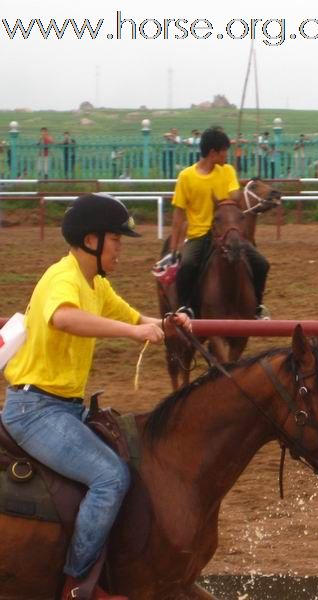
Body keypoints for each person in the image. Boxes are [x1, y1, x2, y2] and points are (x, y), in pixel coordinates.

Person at [1, 193, 191, 600]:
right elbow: (63, 318)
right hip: (35, 411)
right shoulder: (63, 278)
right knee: (109, 477)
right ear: (92, 240)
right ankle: (78, 583)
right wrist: (133, 333)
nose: (121, 249)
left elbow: (138, 319)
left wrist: (170, 324)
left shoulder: (95, 285)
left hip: (63, 409)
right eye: (117, 240)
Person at [165, 127, 270, 319]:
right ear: (213, 153)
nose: (226, 155)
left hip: (228, 233)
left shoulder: (227, 170)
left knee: (261, 263)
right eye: (224, 151)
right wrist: (174, 246)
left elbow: (234, 196)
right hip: (199, 235)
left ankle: (257, 306)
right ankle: (184, 307)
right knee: (187, 265)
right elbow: (179, 214)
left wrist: (237, 190)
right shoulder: (186, 177)